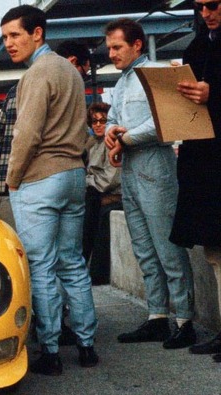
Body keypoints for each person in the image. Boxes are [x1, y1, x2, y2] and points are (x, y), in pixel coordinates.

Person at [1, 5, 98, 375]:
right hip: (73, 174)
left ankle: (51, 351)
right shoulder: (70, 71)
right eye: (5, 37)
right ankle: (87, 346)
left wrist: (12, 178)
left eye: (15, 35)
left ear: (37, 33)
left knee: (41, 264)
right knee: (72, 262)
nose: (9, 43)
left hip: (41, 177)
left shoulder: (36, 74)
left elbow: (26, 133)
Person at [104, 18, 197, 349]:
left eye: (117, 47)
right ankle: (157, 315)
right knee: (143, 248)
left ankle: (184, 320)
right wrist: (110, 133)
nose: (111, 53)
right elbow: (112, 118)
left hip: (156, 165)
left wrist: (124, 138)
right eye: (109, 48)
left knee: (167, 246)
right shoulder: (122, 82)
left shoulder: (159, 74)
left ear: (137, 45)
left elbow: (166, 120)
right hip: (131, 169)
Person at [163, 1, 221, 395]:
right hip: (206, 165)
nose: (206, 13)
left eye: (212, 4)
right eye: (199, 6)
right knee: (214, 252)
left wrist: (213, 95)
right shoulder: (200, 44)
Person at [83, 102, 122, 284]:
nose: (98, 125)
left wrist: (87, 181)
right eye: (94, 121)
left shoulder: (112, 143)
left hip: (113, 194)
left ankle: (96, 272)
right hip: (97, 193)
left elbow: (109, 180)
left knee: (93, 209)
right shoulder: (92, 144)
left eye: (103, 121)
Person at [0, 83, 17, 195]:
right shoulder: (64, 83)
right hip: (54, 168)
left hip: (13, 173)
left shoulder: (14, 91)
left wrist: (9, 148)